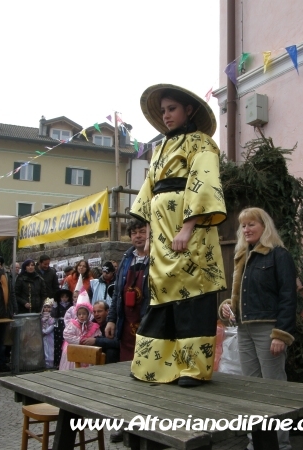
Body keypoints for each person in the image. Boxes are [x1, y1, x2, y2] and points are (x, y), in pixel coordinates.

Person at [128, 84, 227, 387]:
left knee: (192, 299)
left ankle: (192, 369)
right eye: (163, 111)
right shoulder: (159, 149)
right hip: (161, 233)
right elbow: (149, 190)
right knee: (161, 296)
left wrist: (188, 226)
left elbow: (204, 181)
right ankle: (155, 365)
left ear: (189, 110)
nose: (166, 115)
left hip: (190, 230)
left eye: (172, 109)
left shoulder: (202, 143)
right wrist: (147, 235)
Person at [219, 207, 296, 450]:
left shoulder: (278, 255)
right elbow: (241, 295)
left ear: (265, 226)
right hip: (244, 330)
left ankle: (280, 445)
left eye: (252, 224)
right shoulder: (242, 254)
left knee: (274, 387)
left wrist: (281, 334)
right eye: (243, 225)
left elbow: (288, 296)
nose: (247, 229)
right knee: (251, 388)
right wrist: (227, 306)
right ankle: (257, 444)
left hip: (268, 331)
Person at [105, 220, 150, 363]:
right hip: (126, 324)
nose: (138, 236)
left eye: (142, 232)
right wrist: (111, 320)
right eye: (134, 233)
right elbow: (117, 294)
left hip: (148, 322)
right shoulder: (126, 259)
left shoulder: (157, 258)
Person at [59, 290, 101, 371]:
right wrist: (79, 340)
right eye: (79, 314)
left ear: (88, 314)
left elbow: (98, 336)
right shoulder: (73, 325)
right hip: (74, 350)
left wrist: (92, 341)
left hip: (88, 351)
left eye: (84, 314)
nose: (81, 316)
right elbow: (66, 334)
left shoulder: (93, 326)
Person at [51, 288, 73, 369]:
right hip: (59, 325)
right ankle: (57, 362)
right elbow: (53, 315)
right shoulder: (57, 305)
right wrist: (55, 307)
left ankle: (66, 362)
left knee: (66, 343)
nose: (64, 299)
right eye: (62, 297)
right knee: (58, 344)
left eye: (66, 297)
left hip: (67, 324)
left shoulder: (71, 305)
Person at [41, 299, 55, 369]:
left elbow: (52, 326)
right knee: (44, 349)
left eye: (48, 307)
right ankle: (45, 364)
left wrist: (45, 331)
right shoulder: (41, 317)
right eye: (45, 307)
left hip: (50, 335)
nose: (46, 309)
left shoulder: (52, 317)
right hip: (43, 336)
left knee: (50, 349)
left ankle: (50, 364)